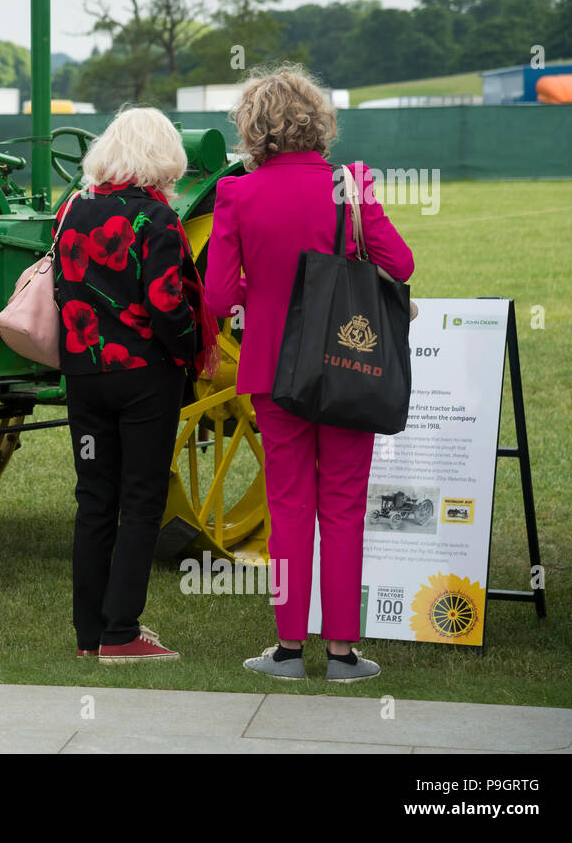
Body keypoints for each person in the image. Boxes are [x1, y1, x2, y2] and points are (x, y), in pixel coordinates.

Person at [205, 64, 414, 682]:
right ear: (317, 123)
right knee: (345, 506)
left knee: (288, 506)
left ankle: (290, 651)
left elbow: (218, 297)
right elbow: (399, 264)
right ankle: (344, 653)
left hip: (274, 371)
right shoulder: (350, 185)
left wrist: (262, 288)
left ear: (254, 129)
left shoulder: (236, 194)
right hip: (350, 365)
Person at [55, 106, 220, 663]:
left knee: (94, 501)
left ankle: (88, 637)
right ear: (161, 156)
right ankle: (121, 633)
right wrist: (186, 357)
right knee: (142, 501)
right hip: (145, 377)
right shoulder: (158, 219)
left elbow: (60, 287)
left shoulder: (71, 208)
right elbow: (167, 303)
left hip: (84, 374)